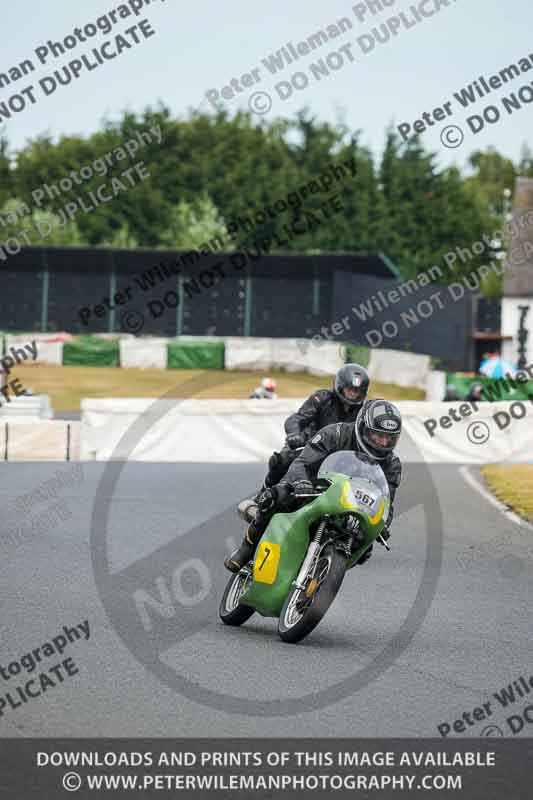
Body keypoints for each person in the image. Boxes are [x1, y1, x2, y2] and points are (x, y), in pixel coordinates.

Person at [225, 398, 402, 572]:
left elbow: (386, 501)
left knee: (365, 549)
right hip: (314, 487)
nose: (383, 442)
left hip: (352, 504)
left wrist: (383, 525)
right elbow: (302, 463)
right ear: (363, 427)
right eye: (378, 435)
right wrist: (302, 482)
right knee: (277, 496)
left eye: (389, 438)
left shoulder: (392, 464)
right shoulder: (335, 434)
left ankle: (321, 575)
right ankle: (246, 549)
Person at [261, 363, 370, 490]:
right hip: (312, 448)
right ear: (340, 386)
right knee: (282, 460)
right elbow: (296, 419)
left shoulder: (364, 412)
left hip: (342, 457)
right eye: (349, 389)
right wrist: (294, 435)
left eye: (356, 391)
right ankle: (265, 493)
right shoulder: (323, 398)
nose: (352, 393)